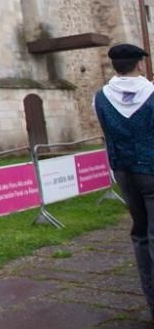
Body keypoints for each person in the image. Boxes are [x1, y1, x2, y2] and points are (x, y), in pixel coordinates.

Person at [94, 43, 154, 321]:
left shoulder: (101, 97)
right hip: (151, 169)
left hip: (124, 171)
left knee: (141, 234)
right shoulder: (151, 93)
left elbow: (107, 131)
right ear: (139, 64)